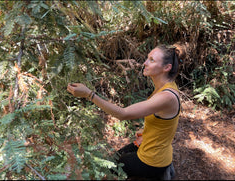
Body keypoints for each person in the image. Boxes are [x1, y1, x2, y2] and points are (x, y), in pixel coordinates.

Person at [67, 43, 185, 180]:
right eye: (147, 58)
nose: (145, 63)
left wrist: (89, 94)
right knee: (115, 158)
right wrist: (145, 132)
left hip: (153, 160)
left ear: (166, 67)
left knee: (109, 169)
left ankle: (161, 173)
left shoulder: (167, 96)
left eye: (152, 60)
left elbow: (123, 114)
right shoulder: (164, 87)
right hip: (151, 146)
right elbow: (164, 122)